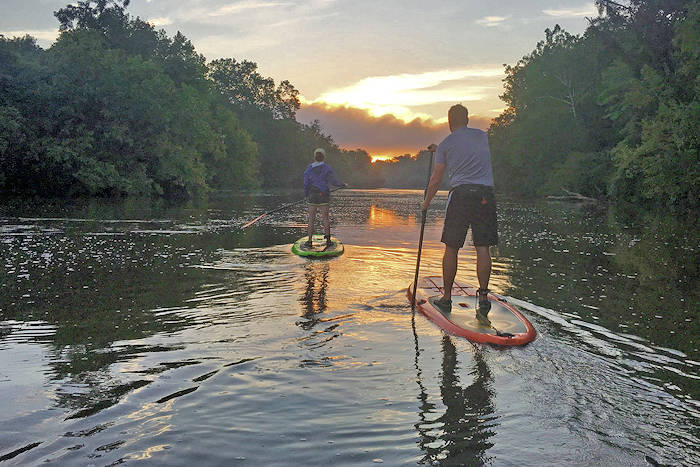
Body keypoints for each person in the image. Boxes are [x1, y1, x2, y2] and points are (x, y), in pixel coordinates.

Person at [420, 104, 498, 321]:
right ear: (468, 119)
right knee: (483, 247)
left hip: (461, 195)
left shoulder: (446, 144)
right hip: (484, 195)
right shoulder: (481, 137)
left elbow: (436, 179)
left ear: (448, 121)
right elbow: (465, 146)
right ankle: (483, 298)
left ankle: (446, 298)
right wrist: (441, 148)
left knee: (452, 247)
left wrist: (426, 203)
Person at [303, 148, 346, 248]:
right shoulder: (327, 168)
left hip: (312, 196)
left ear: (314, 157)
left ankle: (309, 241)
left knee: (311, 219)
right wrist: (343, 184)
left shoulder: (309, 168)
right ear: (324, 157)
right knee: (325, 219)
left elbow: (306, 184)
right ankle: (328, 241)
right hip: (323, 196)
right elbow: (333, 181)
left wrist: (306, 195)